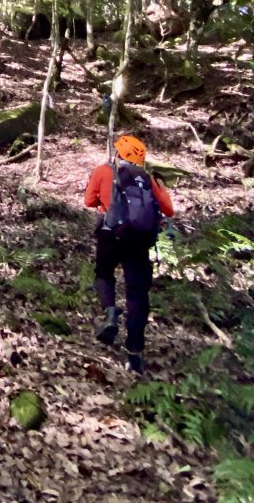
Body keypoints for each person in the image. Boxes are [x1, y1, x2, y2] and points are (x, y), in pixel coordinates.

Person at [84, 134, 174, 373]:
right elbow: (169, 209)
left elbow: (88, 201)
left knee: (104, 274)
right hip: (139, 241)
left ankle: (110, 311)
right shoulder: (148, 179)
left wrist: (108, 202)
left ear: (118, 154)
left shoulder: (104, 170)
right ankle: (135, 352)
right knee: (137, 294)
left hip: (110, 234)